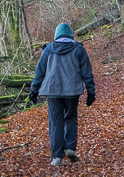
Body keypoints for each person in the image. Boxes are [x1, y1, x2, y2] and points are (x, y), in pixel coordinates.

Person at [27, 22, 96, 165]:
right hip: (72, 92)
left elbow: (39, 72)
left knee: (55, 123)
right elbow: (87, 72)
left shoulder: (48, 50)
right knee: (70, 118)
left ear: (56, 35)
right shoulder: (78, 49)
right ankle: (70, 147)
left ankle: (57, 156)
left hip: (53, 92)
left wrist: (34, 90)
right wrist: (91, 92)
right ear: (70, 34)